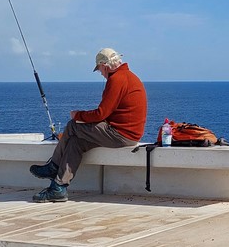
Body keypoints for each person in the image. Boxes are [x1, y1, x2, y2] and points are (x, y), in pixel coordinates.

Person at [29, 48, 148, 202]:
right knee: (75, 142)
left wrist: (78, 115)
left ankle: (53, 166)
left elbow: (101, 113)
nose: (101, 73)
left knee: (73, 125)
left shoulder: (117, 79)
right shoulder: (129, 76)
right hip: (125, 133)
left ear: (105, 65)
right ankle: (59, 187)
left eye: (99, 70)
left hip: (120, 134)